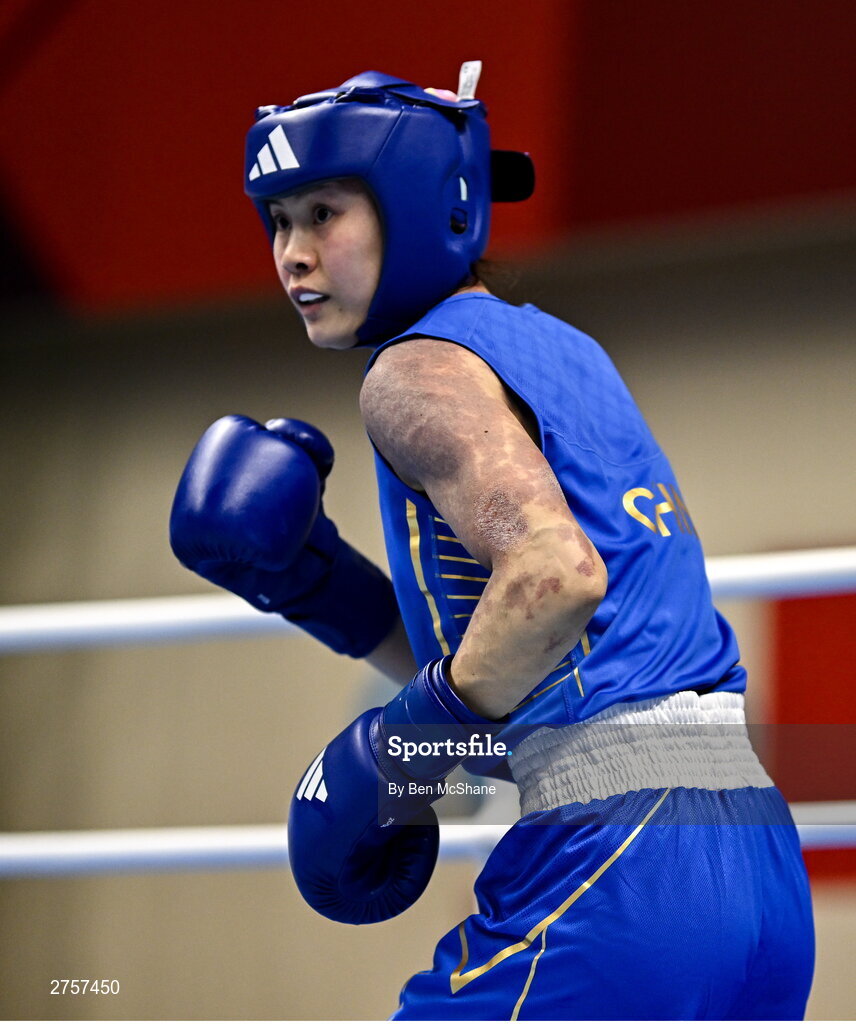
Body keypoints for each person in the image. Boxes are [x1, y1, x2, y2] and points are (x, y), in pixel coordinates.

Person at [169, 65, 815, 1020]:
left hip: (617, 868)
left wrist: (398, 760)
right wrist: (322, 588)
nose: (293, 255)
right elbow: (547, 671)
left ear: (422, 206)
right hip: (755, 855)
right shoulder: (561, 351)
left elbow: (555, 578)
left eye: (323, 213)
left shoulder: (410, 375)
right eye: (277, 221)